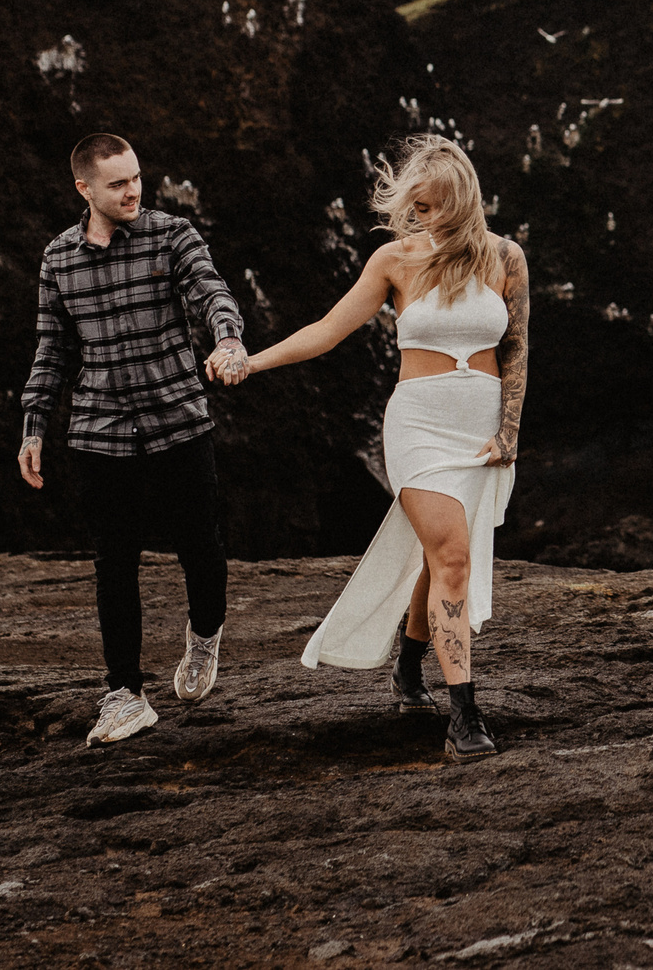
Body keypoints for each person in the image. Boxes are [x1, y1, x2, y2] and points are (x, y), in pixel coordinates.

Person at [222, 133, 529, 761]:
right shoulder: (394, 260)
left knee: (440, 558)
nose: (424, 217)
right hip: (419, 426)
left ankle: (408, 667)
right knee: (452, 555)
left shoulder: (506, 257)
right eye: (417, 206)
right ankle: (464, 715)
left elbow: (518, 347)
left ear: (463, 198)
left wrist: (509, 432)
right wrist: (253, 362)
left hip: (480, 431)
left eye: (435, 206)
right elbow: (328, 329)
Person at [17, 133, 249, 746]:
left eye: (136, 178)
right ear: (84, 189)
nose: (133, 191)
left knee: (200, 545)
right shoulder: (58, 258)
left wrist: (228, 338)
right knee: (113, 563)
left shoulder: (171, 235)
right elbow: (52, 349)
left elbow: (211, 291)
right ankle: (125, 693)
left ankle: (205, 635)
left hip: (177, 418)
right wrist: (34, 424)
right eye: (117, 183)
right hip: (99, 430)